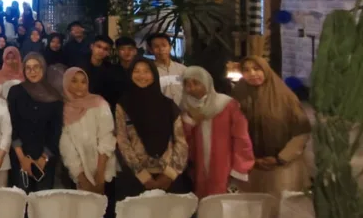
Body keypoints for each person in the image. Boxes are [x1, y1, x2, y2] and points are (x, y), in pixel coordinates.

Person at [233, 56, 312, 197]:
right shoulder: (238, 94)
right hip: (251, 168)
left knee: (279, 204)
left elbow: (302, 132)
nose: (252, 74)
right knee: (253, 205)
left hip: (283, 167)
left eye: (256, 69)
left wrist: (280, 158)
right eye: (246, 70)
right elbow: (231, 131)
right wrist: (250, 159)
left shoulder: (285, 97)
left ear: (266, 70)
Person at [115, 58, 189, 199]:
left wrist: (169, 174)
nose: (141, 76)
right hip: (136, 177)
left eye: (146, 71)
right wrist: (143, 176)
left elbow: (180, 141)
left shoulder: (168, 105)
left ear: (154, 74)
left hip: (167, 175)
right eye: (136, 71)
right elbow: (122, 140)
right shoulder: (123, 105)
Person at [59, 67, 117, 218]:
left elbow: (107, 137)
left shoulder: (99, 103)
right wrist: (82, 178)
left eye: (83, 82)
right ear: (66, 83)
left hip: (104, 170)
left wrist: (100, 175)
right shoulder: (62, 109)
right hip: (79, 174)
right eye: (74, 81)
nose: (79, 86)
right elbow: (66, 147)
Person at [181, 66, 254, 198]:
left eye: (196, 83)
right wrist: (190, 121)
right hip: (198, 168)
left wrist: (239, 168)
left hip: (225, 166)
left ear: (206, 83)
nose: (191, 88)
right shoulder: (186, 107)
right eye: (187, 84)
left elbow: (241, 138)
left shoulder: (226, 104)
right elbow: (183, 140)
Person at [7, 53, 62, 193]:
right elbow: (12, 125)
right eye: (28, 68)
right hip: (20, 155)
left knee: (42, 202)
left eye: (36, 67)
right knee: (21, 201)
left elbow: (56, 131)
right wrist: (22, 158)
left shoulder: (54, 95)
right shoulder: (16, 92)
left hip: (45, 159)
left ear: (43, 68)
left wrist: (44, 158)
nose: (33, 71)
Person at [77, 35, 124, 109]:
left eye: (105, 49)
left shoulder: (110, 70)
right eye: (98, 46)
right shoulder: (80, 66)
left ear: (108, 52)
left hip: (102, 107)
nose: (101, 51)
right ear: (92, 46)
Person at [147, 33, 186, 104]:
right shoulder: (149, 71)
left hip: (183, 109)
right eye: (156, 46)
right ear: (151, 50)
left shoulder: (182, 69)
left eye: (164, 45)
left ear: (170, 47)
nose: (161, 49)